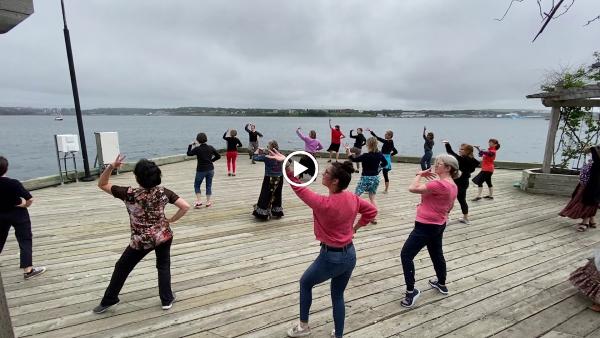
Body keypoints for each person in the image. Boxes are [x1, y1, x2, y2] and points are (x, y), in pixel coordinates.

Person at [265, 149, 377, 338]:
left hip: (331, 257)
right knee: (338, 295)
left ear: (334, 181)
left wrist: (287, 163)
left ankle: (303, 327)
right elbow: (371, 212)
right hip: (350, 255)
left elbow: (298, 187)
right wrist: (355, 228)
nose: (322, 174)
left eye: (326, 173)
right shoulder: (352, 198)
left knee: (305, 283)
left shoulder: (323, 203)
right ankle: (339, 334)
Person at [93, 155, 190, 314]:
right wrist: (172, 219)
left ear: (137, 178)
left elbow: (102, 184)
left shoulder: (129, 193)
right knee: (163, 266)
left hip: (141, 240)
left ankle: (109, 299)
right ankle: (166, 299)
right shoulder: (163, 192)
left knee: (122, 267)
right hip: (163, 235)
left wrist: (111, 167)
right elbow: (185, 206)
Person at [400, 154, 459, 308]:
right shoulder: (452, 185)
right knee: (437, 254)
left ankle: (411, 291)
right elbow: (450, 206)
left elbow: (412, 188)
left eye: (439, 164)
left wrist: (419, 175)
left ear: (448, 168)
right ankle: (441, 283)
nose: (435, 165)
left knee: (406, 255)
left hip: (425, 226)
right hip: (439, 224)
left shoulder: (438, 184)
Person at [0, 156, 46, 280]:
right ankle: (28, 270)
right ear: (6, 168)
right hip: (18, 213)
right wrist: (24, 205)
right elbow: (29, 199)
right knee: (24, 240)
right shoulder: (13, 183)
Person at [346, 137, 387, 224]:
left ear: (368, 145)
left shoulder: (365, 156)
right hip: (375, 178)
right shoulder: (379, 154)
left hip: (365, 178)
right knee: (372, 198)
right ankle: (374, 217)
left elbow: (353, 159)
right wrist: (379, 167)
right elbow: (385, 163)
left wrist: (348, 151)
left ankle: (349, 216)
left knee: (355, 197)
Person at [560, 145, 600, 232]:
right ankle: (591, 220)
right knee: (583, 200)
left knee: (589, 201)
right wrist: (592, 148)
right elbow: (587, 150)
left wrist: (593, 149)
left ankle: (585, 222)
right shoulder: (593, 157)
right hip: (585, 184)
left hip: (593, 185)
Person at [443, 140, 480, 224]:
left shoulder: (463, 159)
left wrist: (447, 144)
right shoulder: (472, 160)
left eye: (462, 149)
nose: (459, 150)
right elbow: (473, 167)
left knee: (450, 200)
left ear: (467, 151)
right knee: (462, 200)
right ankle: (465, 218)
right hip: (465, 182)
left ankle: (446, 218)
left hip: (457, 183)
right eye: (460, 149)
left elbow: (451, 153)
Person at [252, 140, 284, 220]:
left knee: (265, 194)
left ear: (270, 147)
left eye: (267, 146)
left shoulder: (266, 157)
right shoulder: (280, 155)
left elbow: (255, 158)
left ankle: (263, 213)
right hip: (279, 178)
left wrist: (257, 151)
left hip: (269, 178)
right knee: (277, 194)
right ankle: (277, 211)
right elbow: (288, 161)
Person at [187, 133, 221, 208]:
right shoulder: (210, 147)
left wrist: (190, 145)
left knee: (197, 185)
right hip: (210, 169)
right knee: (208, 185)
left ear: (198, 140)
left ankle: (199, 202)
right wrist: (212, 161)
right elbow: (218, 156)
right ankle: (208, 202)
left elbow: (189, 154)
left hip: (201, 170)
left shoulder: (197, 149)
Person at [368, 129, 398, 194]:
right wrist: (390, 155)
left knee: (380, 174)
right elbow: (395, 151)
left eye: (386, 134)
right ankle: (382, 189)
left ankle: (384, 190)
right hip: (385, 159)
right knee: (379, 173)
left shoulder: (388, 142)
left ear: (389, 136)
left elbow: (377, 138)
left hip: (384, 160)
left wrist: (371, 132)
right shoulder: (391, 142)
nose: (385, 134)